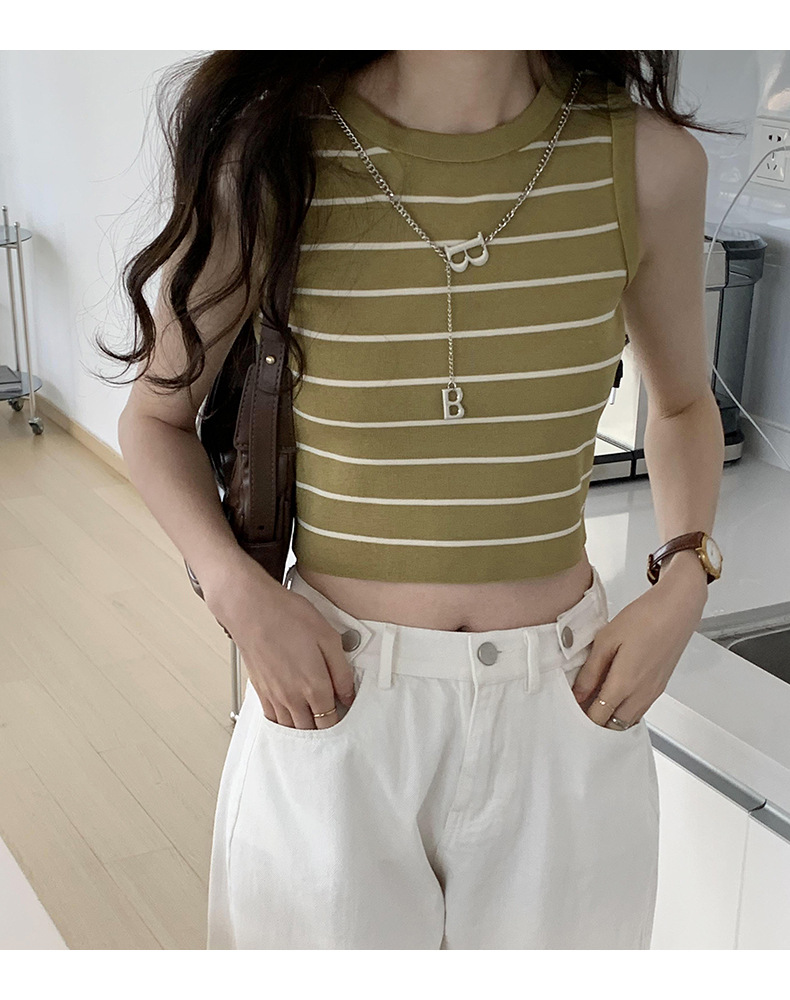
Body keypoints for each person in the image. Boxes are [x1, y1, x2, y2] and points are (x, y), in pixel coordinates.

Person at [112, 50, 728, 949]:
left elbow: (681, 406)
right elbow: (154, 418)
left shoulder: (646, 163)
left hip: (565, 708)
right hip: (334, 700)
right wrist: (238, 593)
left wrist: (685, 580)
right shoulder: (272, 153)